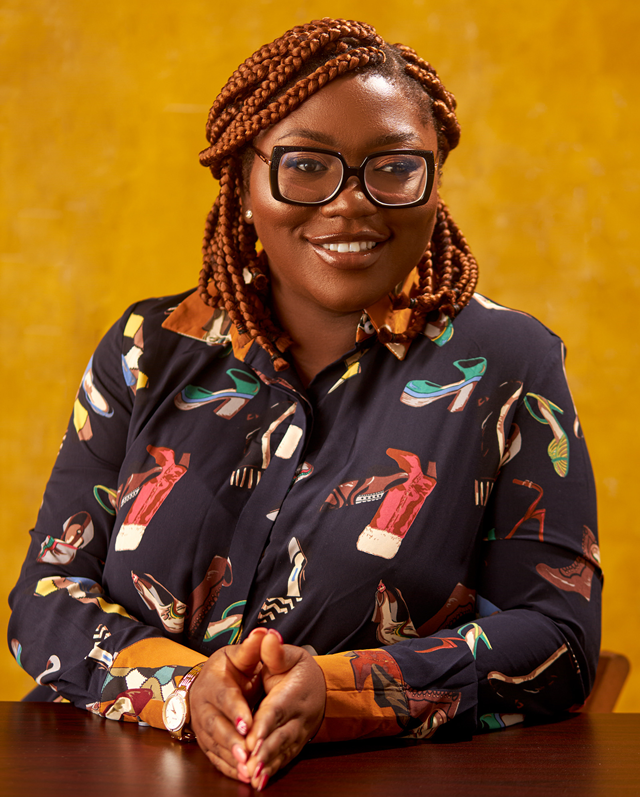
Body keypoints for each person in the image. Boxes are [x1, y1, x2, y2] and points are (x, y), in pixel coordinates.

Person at [9, 17, 601, 791]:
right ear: (245, 180)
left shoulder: (507, 365)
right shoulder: (146, 349)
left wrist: (341, 692)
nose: (351, 203)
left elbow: (559, 636)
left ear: (434, 181)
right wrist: (182, 687)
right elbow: (47, 596)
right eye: (307, 166)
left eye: (395, 167)